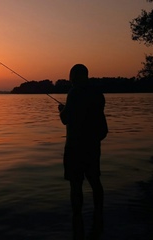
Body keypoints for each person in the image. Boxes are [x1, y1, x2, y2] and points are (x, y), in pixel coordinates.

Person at [58, 64, 108, 240]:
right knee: (95, 180)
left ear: (73, 77)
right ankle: (98, 214)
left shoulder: (74, 93)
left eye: (71, 76)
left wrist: (61, 110)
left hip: (75, 147)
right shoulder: (97, 94)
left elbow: (66, 118)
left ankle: (77, 217)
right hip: (93, 146)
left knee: (76, 184)